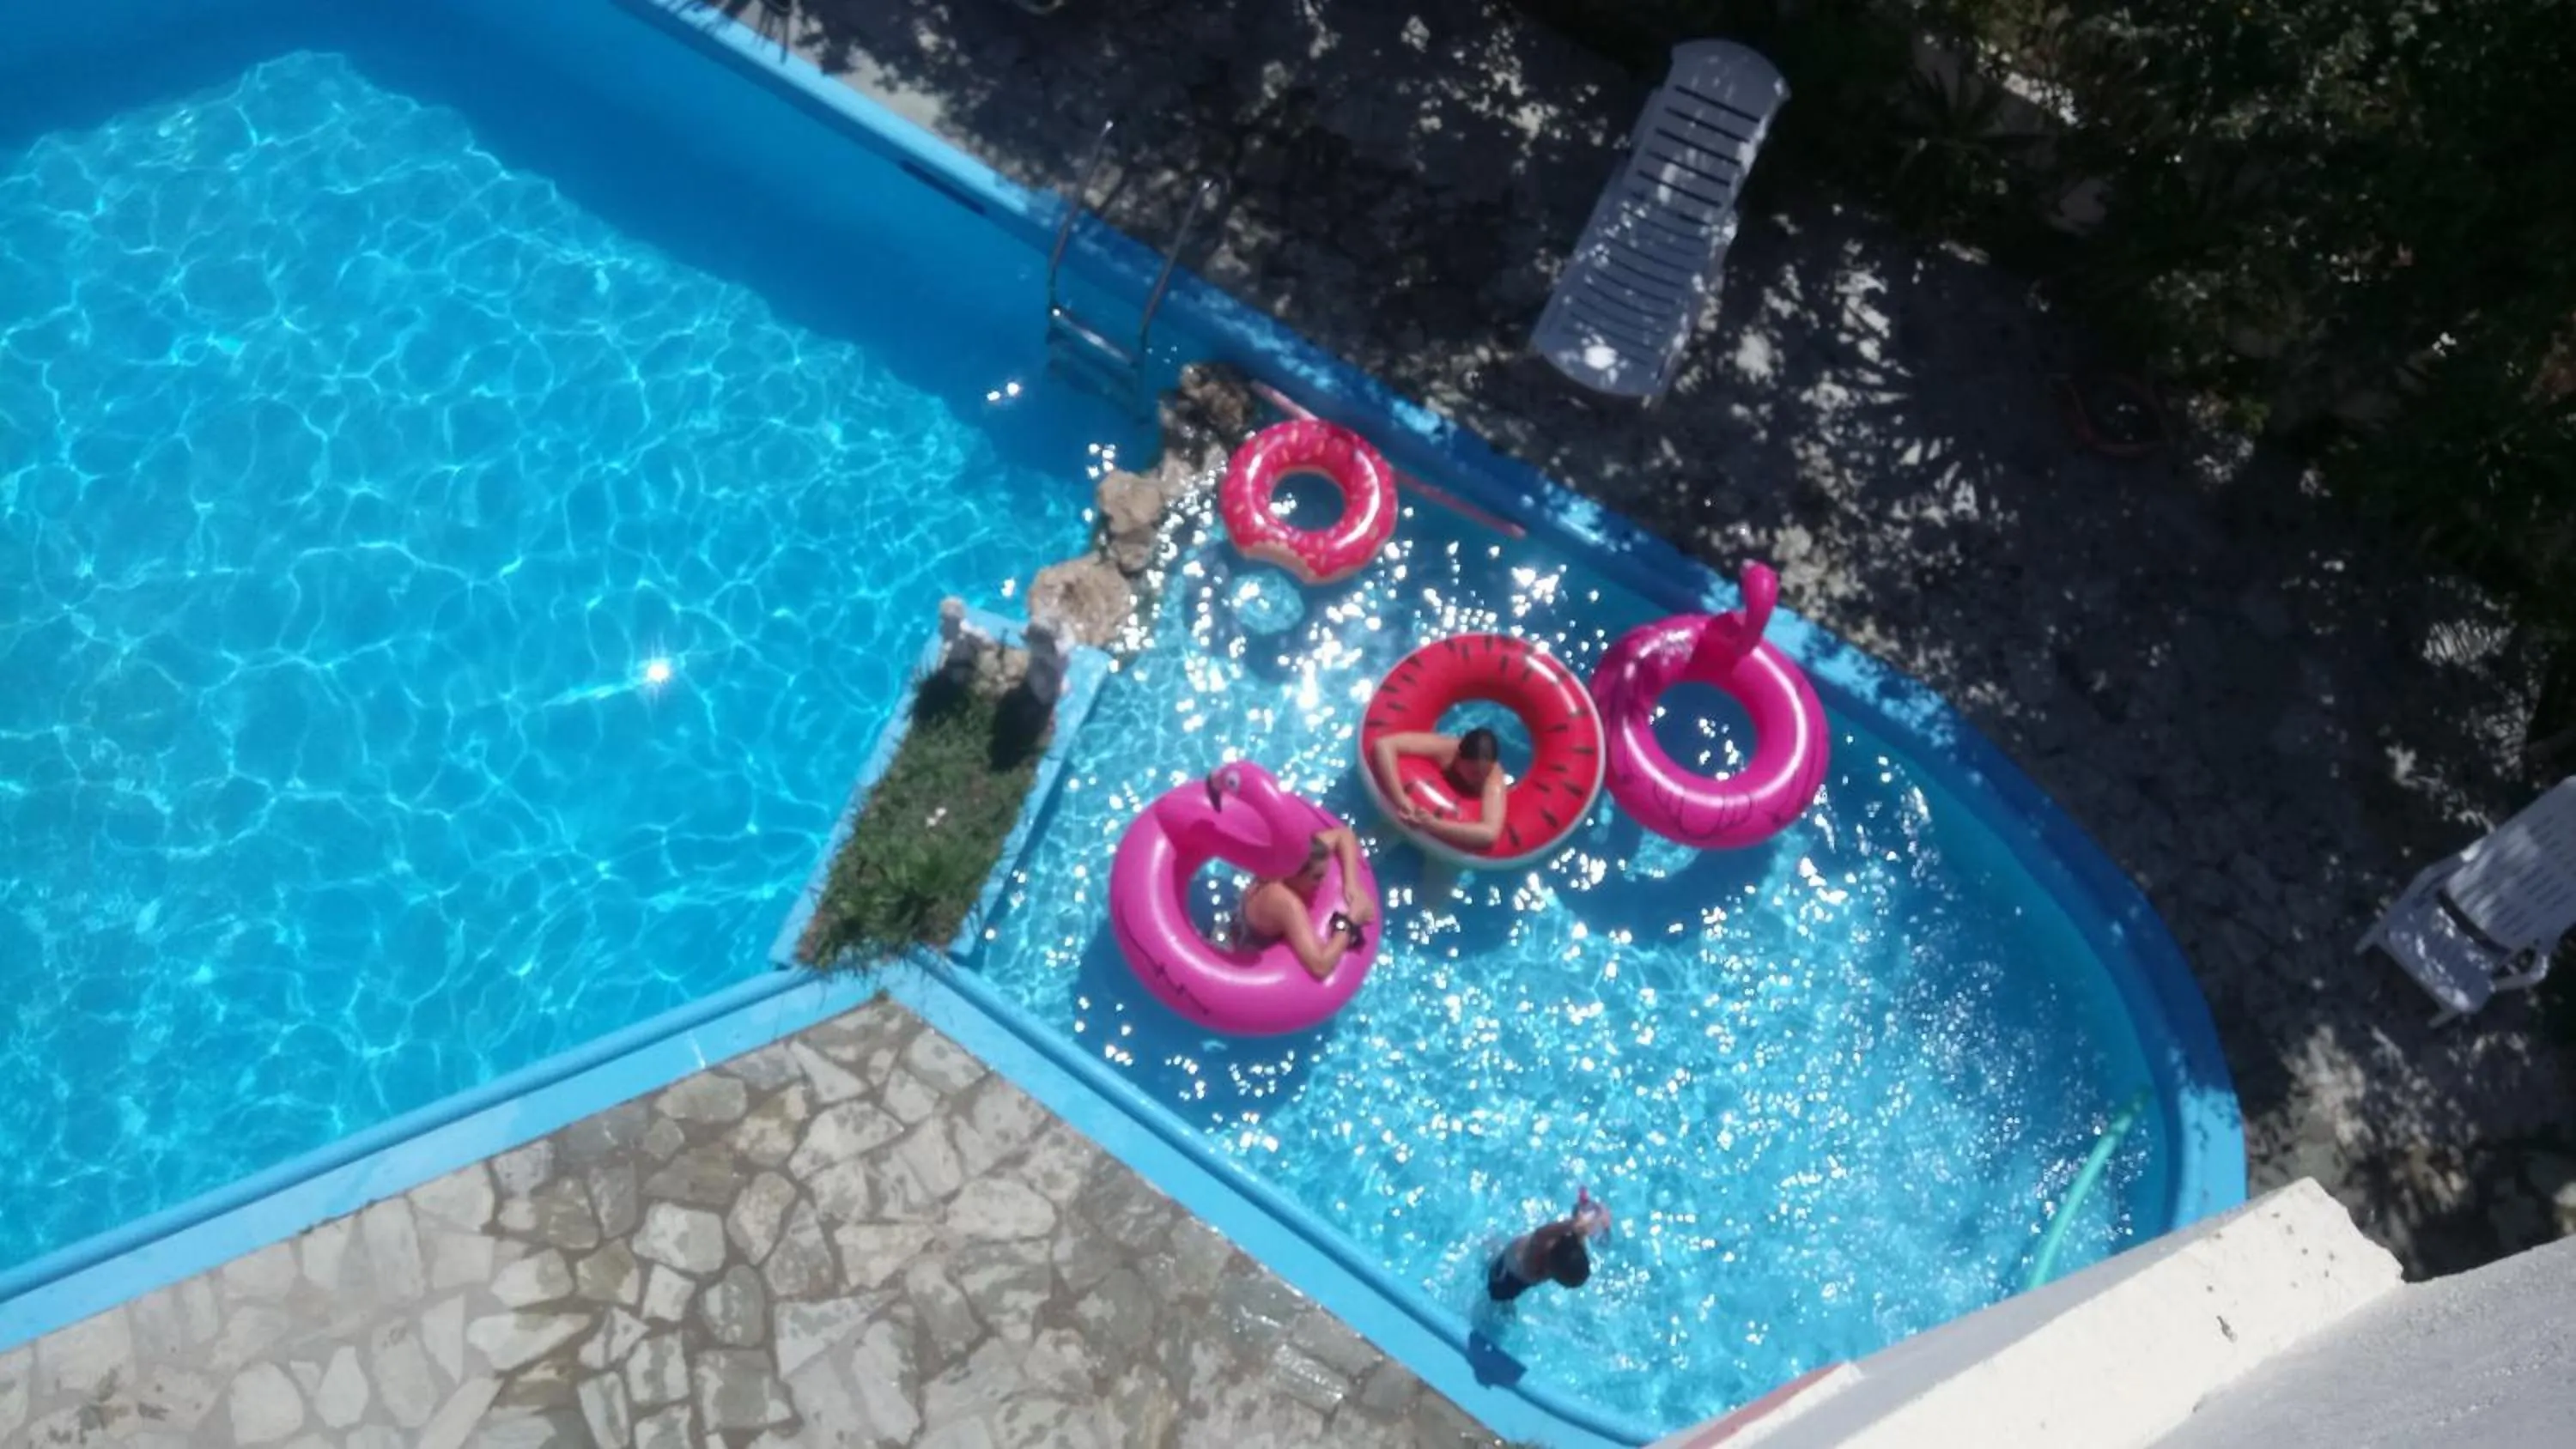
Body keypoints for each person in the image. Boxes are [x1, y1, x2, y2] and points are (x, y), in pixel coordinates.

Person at [1237, 825, 1376, 980]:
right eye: (1317, 877)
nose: (1323, 883)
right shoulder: (1285, 903)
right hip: (1249, 951)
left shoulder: (1298, 857)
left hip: (1240, 917)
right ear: (1292, 874)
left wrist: (1352, 884)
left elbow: (1344, 834)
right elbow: (1320, 966)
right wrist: (1351, 921)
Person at [1370, 725, 1510, 852]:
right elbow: (1384, 745)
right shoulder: (1446, 749)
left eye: (1485, 774)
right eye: (1474, 773)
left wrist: (1432, 825)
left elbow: (1489, 834)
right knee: (1378, 838)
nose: (1480, 779)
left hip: (1451, 838)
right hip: (1417, 807)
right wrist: (1400, 798)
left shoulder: (1493, 778)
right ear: (1459, 756)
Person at [1485, 1187, 1613, 1302]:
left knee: (1494, 1297)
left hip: (1503, 1281)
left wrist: (1573, 1223)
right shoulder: (1571, 1249)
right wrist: (1587, 1211)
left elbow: (1540, 1234)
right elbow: (1579, 1229)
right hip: (1510, 1263)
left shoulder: (1533, 1267)